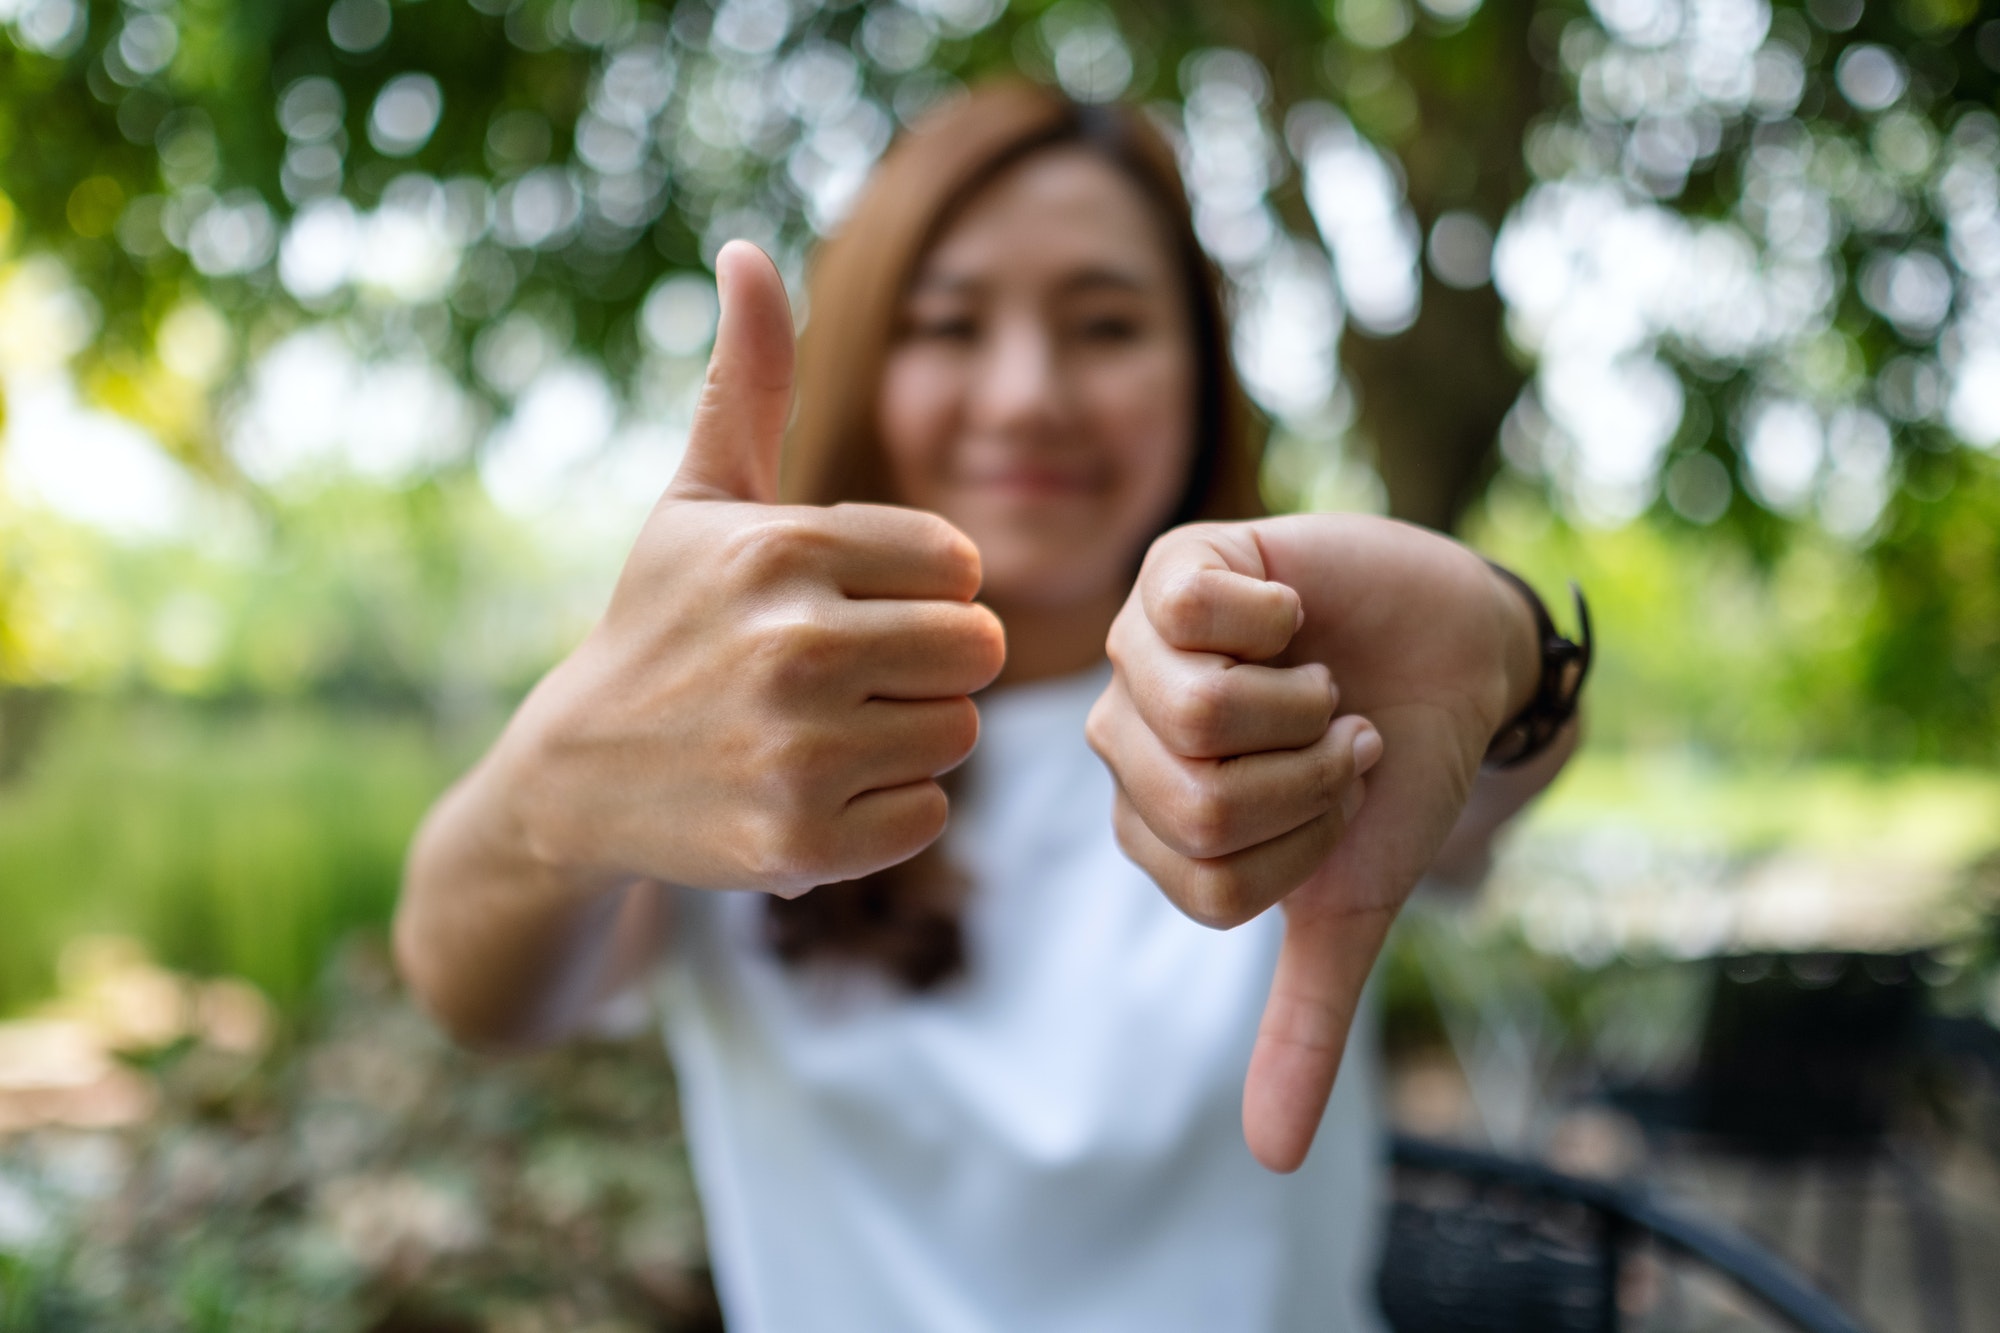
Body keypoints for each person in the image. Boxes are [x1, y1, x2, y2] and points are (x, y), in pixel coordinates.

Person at [396, 83, 1582, 1332]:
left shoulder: (1296, 696)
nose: (1026, 395)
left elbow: (1489, 779)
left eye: (1105, 324)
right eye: (950, 324)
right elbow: (469, 985)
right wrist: (552, 795)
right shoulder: (740, 725)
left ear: (1201, 371)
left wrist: (1512, 651)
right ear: (864, 359)